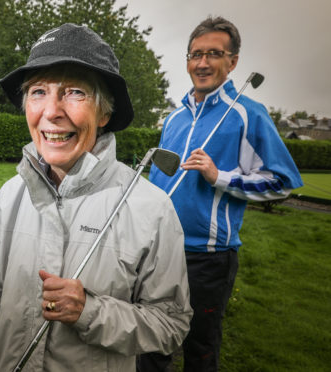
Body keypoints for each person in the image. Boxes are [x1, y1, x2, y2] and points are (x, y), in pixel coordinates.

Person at [0, 23, 192, 371]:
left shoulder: (152, 209)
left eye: (74, 92)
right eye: (38, 91)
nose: (51, 111)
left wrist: (91, 312)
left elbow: (171, 325)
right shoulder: (8, 197)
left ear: (105, 113)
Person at [146, 16, 303, 371]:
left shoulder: (249, 115)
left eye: (214, 54)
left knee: (200, 348)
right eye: (195, 54)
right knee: (151, 343)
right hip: (158, 249)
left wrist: (220, 176)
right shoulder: (173, 119)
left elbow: (283, 181)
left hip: (207, 258)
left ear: (232, 62)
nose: (202, 63)